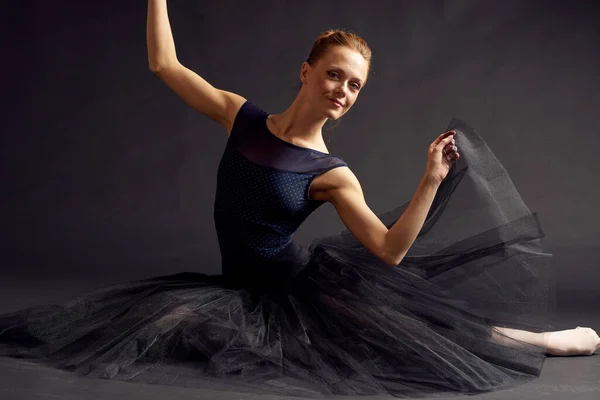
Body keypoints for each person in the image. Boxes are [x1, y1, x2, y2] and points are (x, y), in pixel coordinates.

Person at [1, 0, 598, 397]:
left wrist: (430, 180)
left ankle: (539, 340)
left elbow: (389, 251)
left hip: (291, 293)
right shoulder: (241, 117)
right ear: (307, 71)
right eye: (336, 74)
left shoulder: (332, 174)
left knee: (409, 329)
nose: (344, 91)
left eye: (356, 85)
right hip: (232, 288)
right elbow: (164, 62)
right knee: (141, 323)